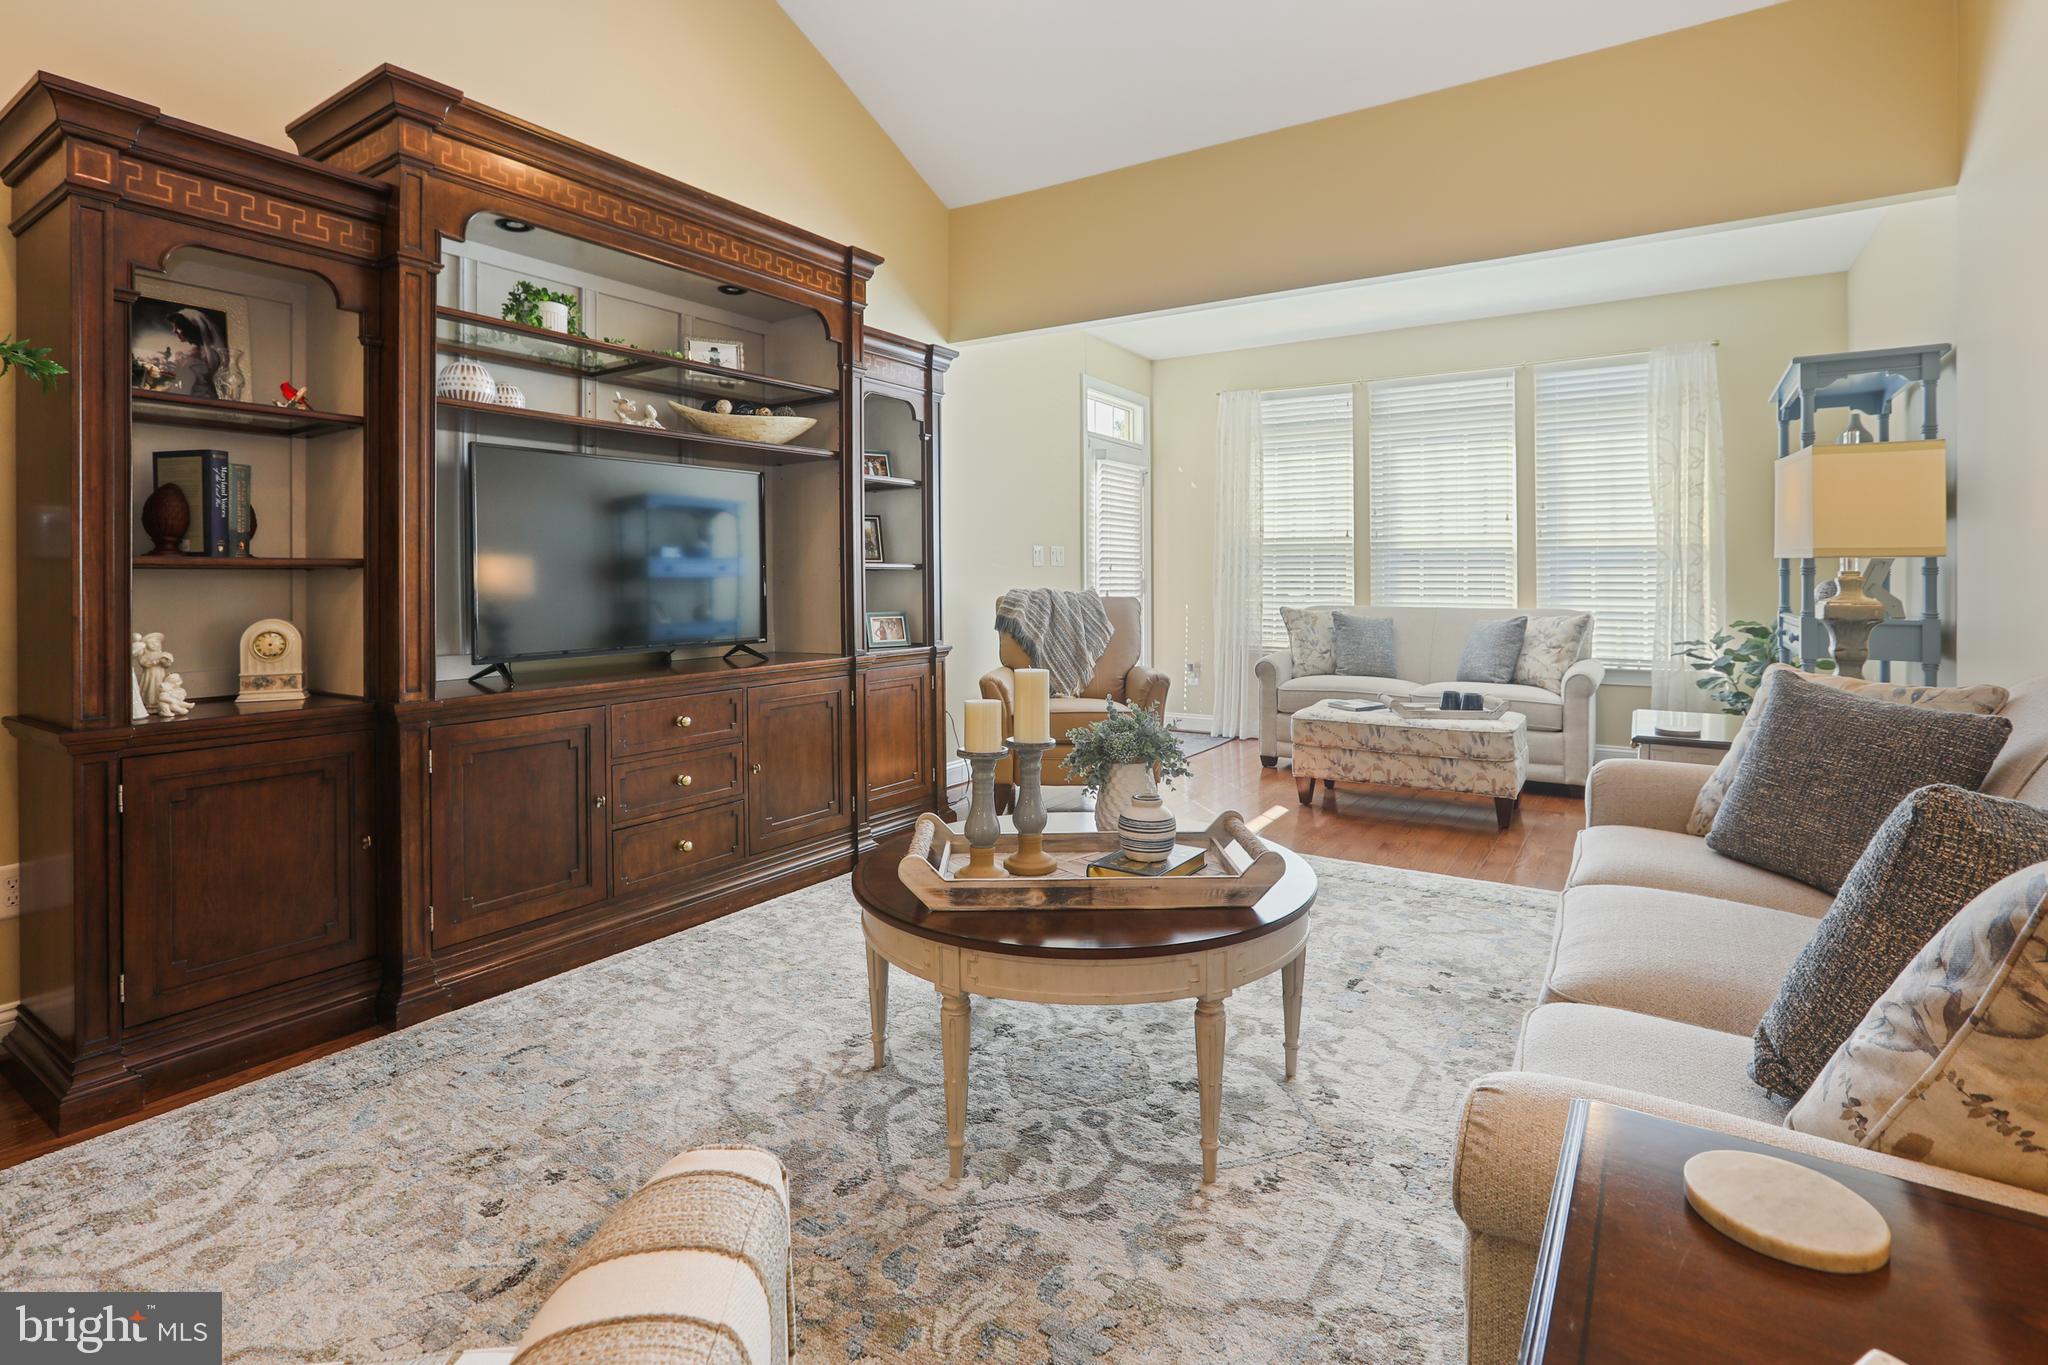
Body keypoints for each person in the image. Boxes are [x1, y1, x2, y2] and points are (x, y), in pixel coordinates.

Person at [166, 306, 228, 397]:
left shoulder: (208, 356)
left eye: (177, 327)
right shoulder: (190, 353)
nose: (174, 331)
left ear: (189, 329)